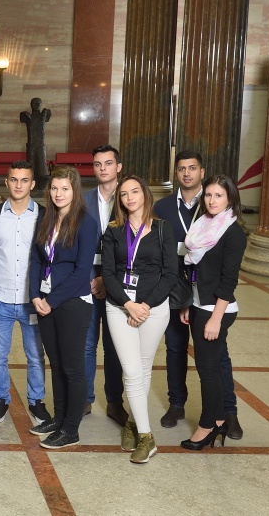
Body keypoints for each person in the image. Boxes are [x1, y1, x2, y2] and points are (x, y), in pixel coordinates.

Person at [154, 152, 242, 439]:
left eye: (192, 168)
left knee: (216, 360)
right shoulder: (166, 207)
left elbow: (227, 278)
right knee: (175, 348)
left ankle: (226, 414)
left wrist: (215, 315)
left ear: (202, 172)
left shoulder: (224, 224)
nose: (187, 173)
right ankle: (178, 404)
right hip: (181, 292)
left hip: (209, 301)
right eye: (181, 169)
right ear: (175, 172)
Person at [101, 176, 177, 463]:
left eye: (135, 191)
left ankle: (133, 422)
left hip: (155, 309)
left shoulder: (163, 229)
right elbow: (108, 274)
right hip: (119, 308)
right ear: (119, 200)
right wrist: (129, 305)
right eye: (124, 194)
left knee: (144, 368)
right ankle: (147, 437)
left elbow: (170, 273)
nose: (130, 197)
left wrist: (144, 305)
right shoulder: (113, 232)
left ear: (145, 194)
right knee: (132, 371)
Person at [28, 166, 98, 449]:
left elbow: (82, 272)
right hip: (45, 301)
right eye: (54, 188)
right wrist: (34, 295)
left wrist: (50, 300)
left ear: (75, 190)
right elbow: (36, 259)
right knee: (55, 365)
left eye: (65, 189)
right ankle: (58, 419)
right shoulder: (46, 218)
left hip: (72, 303)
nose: (58, 194)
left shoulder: (86, 222)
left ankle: (71, 429)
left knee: (72, 368)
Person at [179, 175, 247, 451]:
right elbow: (194, 270)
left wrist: (215, 319)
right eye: (208, 195)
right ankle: (219, 418)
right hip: (199, 303)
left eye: (218, 195)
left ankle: (208, 425)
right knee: (214, 366)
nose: (212, 200)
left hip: (216, 309)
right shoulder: (203, 223)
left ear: (230, 198)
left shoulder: (232, 232)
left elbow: (228, 281)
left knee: (207, 370)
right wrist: (188, 303)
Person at [0, 160, 50, 425]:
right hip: (0, 296)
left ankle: (36, 402)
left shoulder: (45, 215)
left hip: (31, 300)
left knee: (35, 355)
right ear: (7, 182)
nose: (19, 185)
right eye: (14, 179)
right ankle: (1, 399)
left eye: (24, 180)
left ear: (32, 184)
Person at [83, 145, 126, 426]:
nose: (103, 168)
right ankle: (85, 400)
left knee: (114, 346)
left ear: (118, 167)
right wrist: (90, 279)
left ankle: (114, 401)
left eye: (108, 163)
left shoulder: (130, 197)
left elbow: (133, 248)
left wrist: (107, 280)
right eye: (98, 164)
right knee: (86, 344)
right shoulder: (82, 199)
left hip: (117, 281)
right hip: (86, 280)